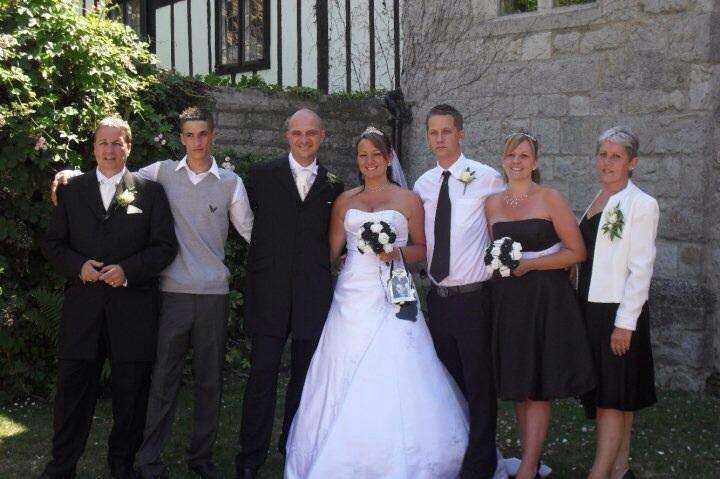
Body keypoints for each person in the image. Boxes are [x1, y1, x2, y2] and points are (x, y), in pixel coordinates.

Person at [284, 127, 507, 478]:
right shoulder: (345, 201)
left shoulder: (408, 199)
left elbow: (422, 249)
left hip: (395, 293)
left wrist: (396, 251)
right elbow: (330, 252)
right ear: (357, 161)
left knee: (401, 362)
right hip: (351, 297)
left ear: (388, 158)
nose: (369, 162)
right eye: (363, 156)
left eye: (375, 155)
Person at [51, 107, 254, 479]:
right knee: (126, 385)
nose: (196, 141)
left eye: (203, 134)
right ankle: (105, 462)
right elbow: (63, 233)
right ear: (181, 138)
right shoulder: (149, 176)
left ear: (213, 136)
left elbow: (243, 234)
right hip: (132, 300)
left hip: (179, 299)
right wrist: (70, 176)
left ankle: (168, 460)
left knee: (179, 386)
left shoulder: (210, 184)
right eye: (189, 134)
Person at [40, 117, 177, 479]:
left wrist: (127, 270)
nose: (110, 150)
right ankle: (62, 464)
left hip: (132, 312)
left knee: (130, 393)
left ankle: (122, 464)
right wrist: (77, 265)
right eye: (103, 143)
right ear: (94, 147)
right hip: (83, 310)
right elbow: (53, 243)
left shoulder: (150, 192)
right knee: (73, 390)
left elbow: (164, 247)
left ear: (129, 147)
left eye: (118, 143)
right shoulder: (72, 189)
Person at [235, 109, 345, 479]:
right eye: (297, 133)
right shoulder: (261, 175)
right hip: (268, 292)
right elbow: (241, 218)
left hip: (312, 294)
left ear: (322, 136)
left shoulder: (334, 184)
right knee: (262, 375)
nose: (303, 139)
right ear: (287, 136)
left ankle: (292, 447)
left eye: (311, 133)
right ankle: (250, 456)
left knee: (304, 377)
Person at [484, 130, 596, 479]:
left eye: (523, 156)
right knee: (518, 382)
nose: (516, 162)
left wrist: (530, 264)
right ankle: (528, 458)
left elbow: (576, 252)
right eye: (511, 156)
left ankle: (529, 466)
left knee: (538, 384)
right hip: (508, 300)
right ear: (503, 160)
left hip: (545, 298)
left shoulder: (551, 198)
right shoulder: (492, 203)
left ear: (535, 162)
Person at [412, 104, 505, 478]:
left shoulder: (486, 178)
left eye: (446, 131)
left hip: (474, 296)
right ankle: (455, 452)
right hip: (438, 297)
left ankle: (480, 465)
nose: (439, 139)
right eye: (433, 132)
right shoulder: (422, 184)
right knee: (448, 384)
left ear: (460, 133)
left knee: (480, 383)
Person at [580, 127, 659, 479]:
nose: (607, 162)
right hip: (593, 308)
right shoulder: (597, 199)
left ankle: (599, 473)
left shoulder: (641, 204)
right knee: (616, 394)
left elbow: (641, 269)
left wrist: (624, 324)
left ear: (632, 163)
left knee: (611, 398)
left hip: (619, 312)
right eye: (603, 155)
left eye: (616, 156)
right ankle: (620, 470)